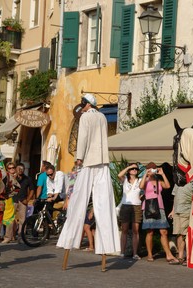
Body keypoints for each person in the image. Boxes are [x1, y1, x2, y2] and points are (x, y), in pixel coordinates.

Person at [57, 93, 120, 255]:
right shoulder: (103, 117)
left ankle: (69, 240)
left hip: (89, 161)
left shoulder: (85, 118)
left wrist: (79, 157)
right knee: (104, 201)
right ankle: (107, 245)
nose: (82, 106)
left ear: (87, 104)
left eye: (83, 104)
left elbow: (83, 138)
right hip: (102, 161)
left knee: (79, 197)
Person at [140, 162, 178, 263]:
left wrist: (162, 174)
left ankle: (168, 254)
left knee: (164, 231)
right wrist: (145, 174)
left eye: (153, 169)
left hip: (160, 207)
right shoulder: (145, 181)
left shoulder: (159, 180)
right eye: (150, 169)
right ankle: (149, 254)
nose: (152, 170)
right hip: (148, 208)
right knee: (150, 232)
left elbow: (168, 186)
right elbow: (140, 186)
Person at [117, 163, 142, 260]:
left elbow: (143, 188)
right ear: (129, 170)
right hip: (125, 206)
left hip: (136, 206)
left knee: (136, 231)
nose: (134, 170)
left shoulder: (139, 180)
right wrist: (128, 167)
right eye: (133, 168)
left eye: (136, 168)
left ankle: (135, 253)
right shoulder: (125, 180)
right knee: (124, 230)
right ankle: (122, 252)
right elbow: (119, 175)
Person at [169, 181, 193, 265]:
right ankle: (180, 256)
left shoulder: (192, 182)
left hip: (186, 211)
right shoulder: (177, 183)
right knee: (178, 234)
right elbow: (175, 197)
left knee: (184, 234)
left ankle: (188, 257)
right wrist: (172, 211)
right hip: (177, 211)